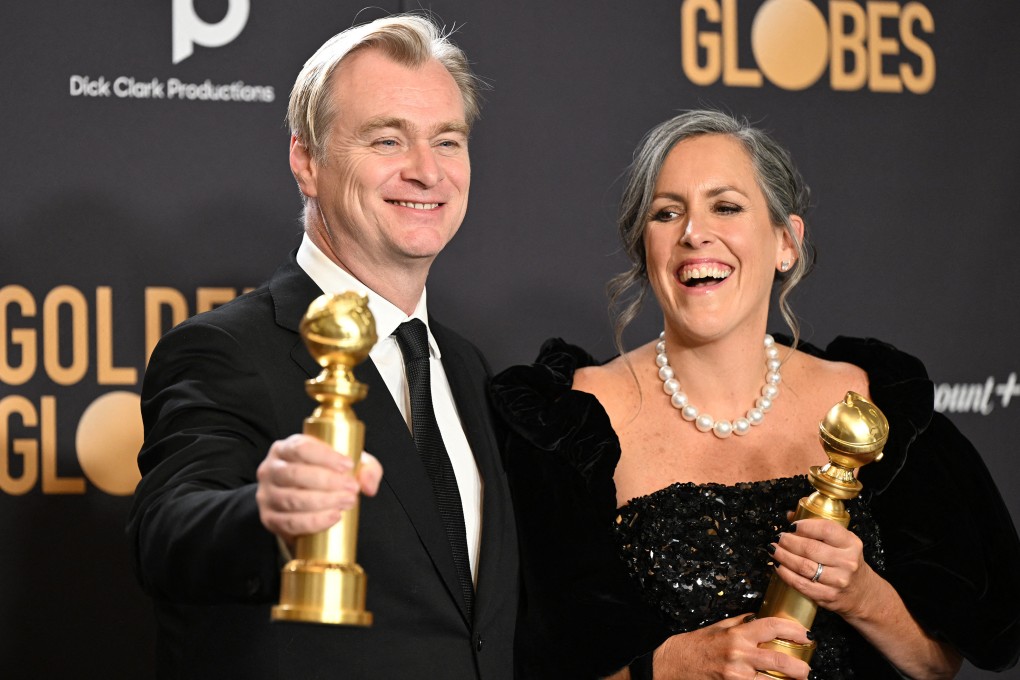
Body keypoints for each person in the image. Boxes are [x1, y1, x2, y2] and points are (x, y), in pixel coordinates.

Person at [490, 110, 1020, 679]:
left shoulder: (874, 407)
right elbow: (524, 662)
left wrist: (862, 594)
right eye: (668, 213)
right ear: (645, 249)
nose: (694, 232)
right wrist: (667, 668)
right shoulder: (568, 426)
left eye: (726, 206)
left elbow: (937, 666)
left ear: (786, 242)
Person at [127, 14, 518, 679]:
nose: (428, 172)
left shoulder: (470, 369)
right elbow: (169, 533)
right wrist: (263, 512)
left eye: (447, 141)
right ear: (306, 161)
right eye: (388, 139)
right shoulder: (225, 350)